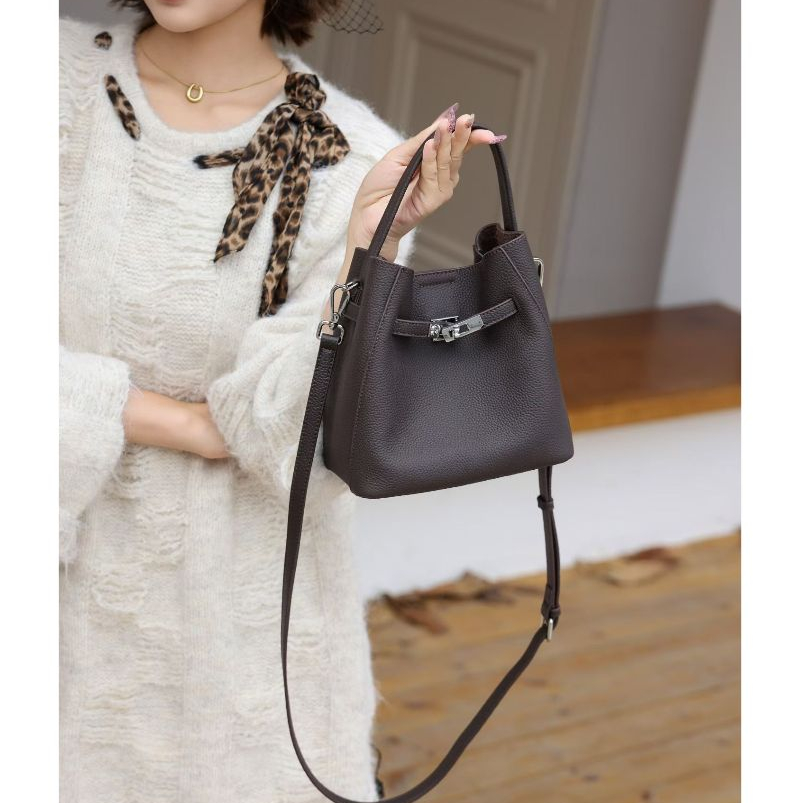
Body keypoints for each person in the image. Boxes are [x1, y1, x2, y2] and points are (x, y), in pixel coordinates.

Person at [59, 1, 507, 800]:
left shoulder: (353, 155)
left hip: (231, 624)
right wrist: (174, 421)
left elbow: (295, 441)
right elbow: (225, 430)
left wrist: (370, 246)